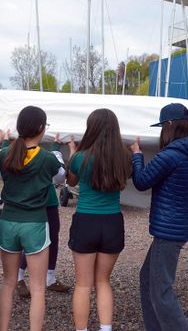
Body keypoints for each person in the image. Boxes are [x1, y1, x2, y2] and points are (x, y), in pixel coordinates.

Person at [130, 103, 188, 331]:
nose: (162, 131)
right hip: (178, 226)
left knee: (161, 290)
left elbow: (142, 181)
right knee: (147, 279)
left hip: (168, 230)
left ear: (170, 125)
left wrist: (136, 156)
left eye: (163, 126)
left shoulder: (171, 155)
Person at [0, 106, 63, 331]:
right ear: (42, 128)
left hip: (7, 223)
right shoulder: (47, 158)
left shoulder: (5, 154)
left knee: (8, 283)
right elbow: (62, 176)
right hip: (34, 224)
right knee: (38, 288)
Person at [66, 108, 131, 331]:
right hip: (112, 222)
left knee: (83, 284)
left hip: (86, 221)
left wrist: (73, 152)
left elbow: (71, 182)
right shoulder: (124, 156)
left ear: (90, 128)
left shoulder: (80, 157)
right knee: (103, 281)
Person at [16, 135, 70, 297]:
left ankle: (50, 279)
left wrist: (55, 145)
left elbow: (50, 162)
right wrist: (4, 141)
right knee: (30, 241)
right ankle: (18, 278)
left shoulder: (45, 154)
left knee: (52, 238)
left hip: (49, 202)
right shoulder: (17, 152)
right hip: (29, 203)